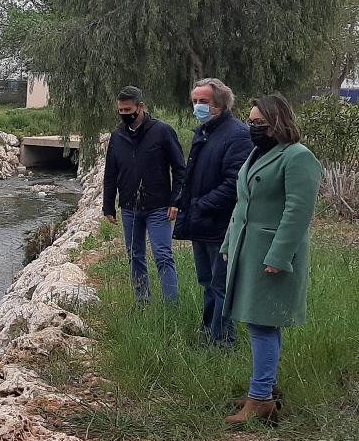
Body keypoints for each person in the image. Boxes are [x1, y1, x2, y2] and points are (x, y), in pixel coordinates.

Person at [222, 94, 321, 423]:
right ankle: (262, 389)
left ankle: (260, 399)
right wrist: (228, 241)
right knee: (257, 322)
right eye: (250, 122)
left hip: (270, 255)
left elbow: (298, 211)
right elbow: (242, 203)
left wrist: (279, 255)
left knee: (263, 324)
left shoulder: (297, 157)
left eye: (259, 124)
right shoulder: (257, 154)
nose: (252, 128)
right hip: (247, 250)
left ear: (278, 123)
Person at [172, 78, 252, 347]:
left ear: (220, 103)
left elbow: (235, 182)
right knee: (208, 282)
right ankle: (208, 335)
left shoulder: (238, 134)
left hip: (221, 224)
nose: (198, 106)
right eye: (195, 101)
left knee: (221, 285)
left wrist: (201, 205)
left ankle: (222, 343)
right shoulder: (204, 131)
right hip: (201, 223)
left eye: (203, 101)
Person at [103, 86, 186, 303]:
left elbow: (180, 168)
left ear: (141, 107)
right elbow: (110, 172)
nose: (124, 114)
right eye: (120, 110)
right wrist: (108, 205)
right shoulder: (117, 136)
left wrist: (176, 200)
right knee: (134, 256)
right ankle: (142, 302)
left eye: (128, 109)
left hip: (158, 206)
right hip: (129, 207)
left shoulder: (162, 131)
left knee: (163, 256)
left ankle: (172, 307)